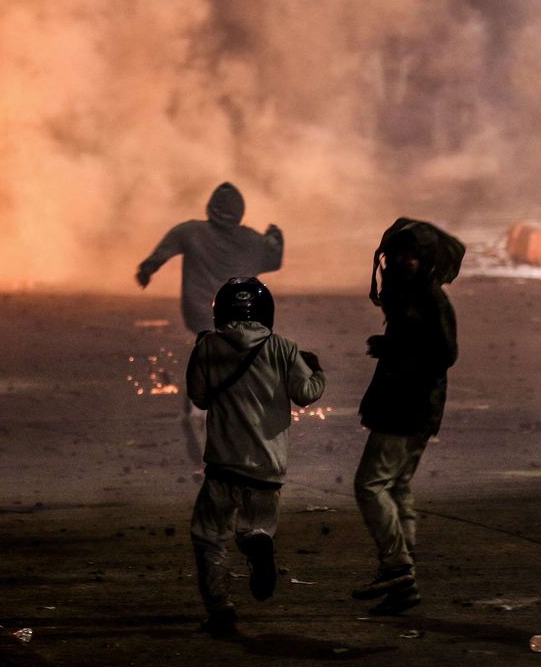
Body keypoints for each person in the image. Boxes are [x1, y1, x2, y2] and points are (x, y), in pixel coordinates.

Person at [185, 277, 325, 636]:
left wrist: (202, 352)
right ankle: (257, 541)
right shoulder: (284, 348)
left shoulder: (209, 347)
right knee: (255, 525)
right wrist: (318, 371)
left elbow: (199, 397)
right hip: (268, 466)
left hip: (223, 465)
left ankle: (221, 610)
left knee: (209, 535)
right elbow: (306, 393)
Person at [350, 218, 462, 616]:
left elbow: (444, 354)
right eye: (398, 254)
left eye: (412, 255)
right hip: (413, 406)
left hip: (407, 406)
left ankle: (397, 567)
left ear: (426, 259)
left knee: (370, 485)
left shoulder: (430, 298)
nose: (403, 261)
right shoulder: (409, 295)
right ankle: (403, 579)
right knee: (396, 487)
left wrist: (397, 349)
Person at [136, 182, 284, 463]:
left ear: (210, 209)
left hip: (200, 316)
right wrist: (276, 238)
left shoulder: (190, 231)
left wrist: (147, 269)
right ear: (240, 213)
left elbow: (162, 252)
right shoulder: (253, 240)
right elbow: (273, 260)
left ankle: (198, 414)